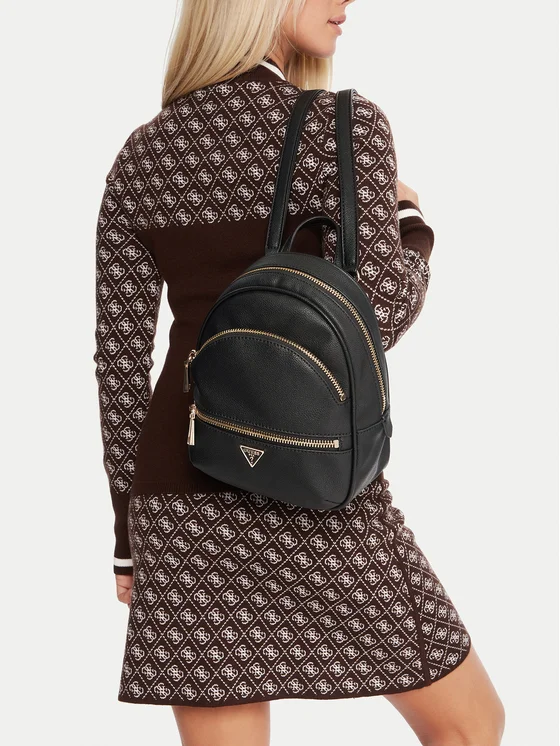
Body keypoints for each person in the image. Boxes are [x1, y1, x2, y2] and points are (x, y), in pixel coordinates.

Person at [93, 1, 505, 743]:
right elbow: (381, 316)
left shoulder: (143, 152)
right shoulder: (341, 129)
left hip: (182, 487)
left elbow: (119, 362)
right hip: (314, 473)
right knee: (471, 726)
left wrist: (128, 533)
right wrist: (410, 224)